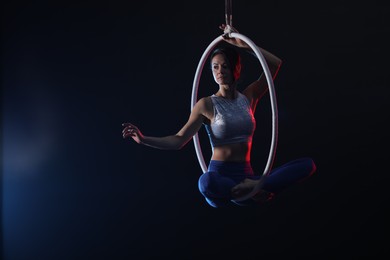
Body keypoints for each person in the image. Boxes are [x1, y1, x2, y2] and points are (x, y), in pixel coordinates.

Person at [122, 25, 317, 208]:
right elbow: (179, 140)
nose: (220, 72)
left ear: (236, 69)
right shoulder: (206, 104)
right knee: (205, 182)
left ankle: (250, 188)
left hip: (247, 178)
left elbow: (274, 64)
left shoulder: (249, 96)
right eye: (215, 67)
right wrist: (143, 139)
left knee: (307, 165)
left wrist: (241, 43)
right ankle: (245, 191)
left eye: (224, 66)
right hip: (219, 181)